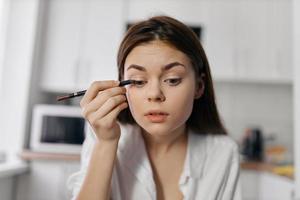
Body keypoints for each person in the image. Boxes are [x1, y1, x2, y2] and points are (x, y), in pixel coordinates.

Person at [67, 15, 241, 200]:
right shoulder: (103, 136)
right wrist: (106, 143)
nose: (154, 94)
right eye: (139, 81)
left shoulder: (223, 153)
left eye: (172, 80)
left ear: (199, 86)